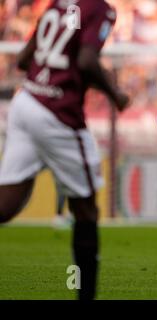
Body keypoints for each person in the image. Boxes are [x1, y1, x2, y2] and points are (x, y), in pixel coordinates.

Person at [0, 0, 129, 300]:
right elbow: (85, 60)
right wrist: (115, 94)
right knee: (85, 209)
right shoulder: (99, 9)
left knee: (5, 208)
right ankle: (86, 296)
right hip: (58, 113)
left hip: (26, 101)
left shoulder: (59, 5)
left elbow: (22, 59)